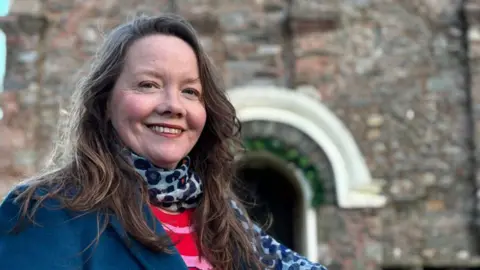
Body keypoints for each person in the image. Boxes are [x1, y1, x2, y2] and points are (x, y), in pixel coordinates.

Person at [0, 14, 328, 270]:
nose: (173, 106)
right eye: (148, 84)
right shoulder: (44, 210)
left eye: (190, 91)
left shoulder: (225, 220)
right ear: (104, 104)